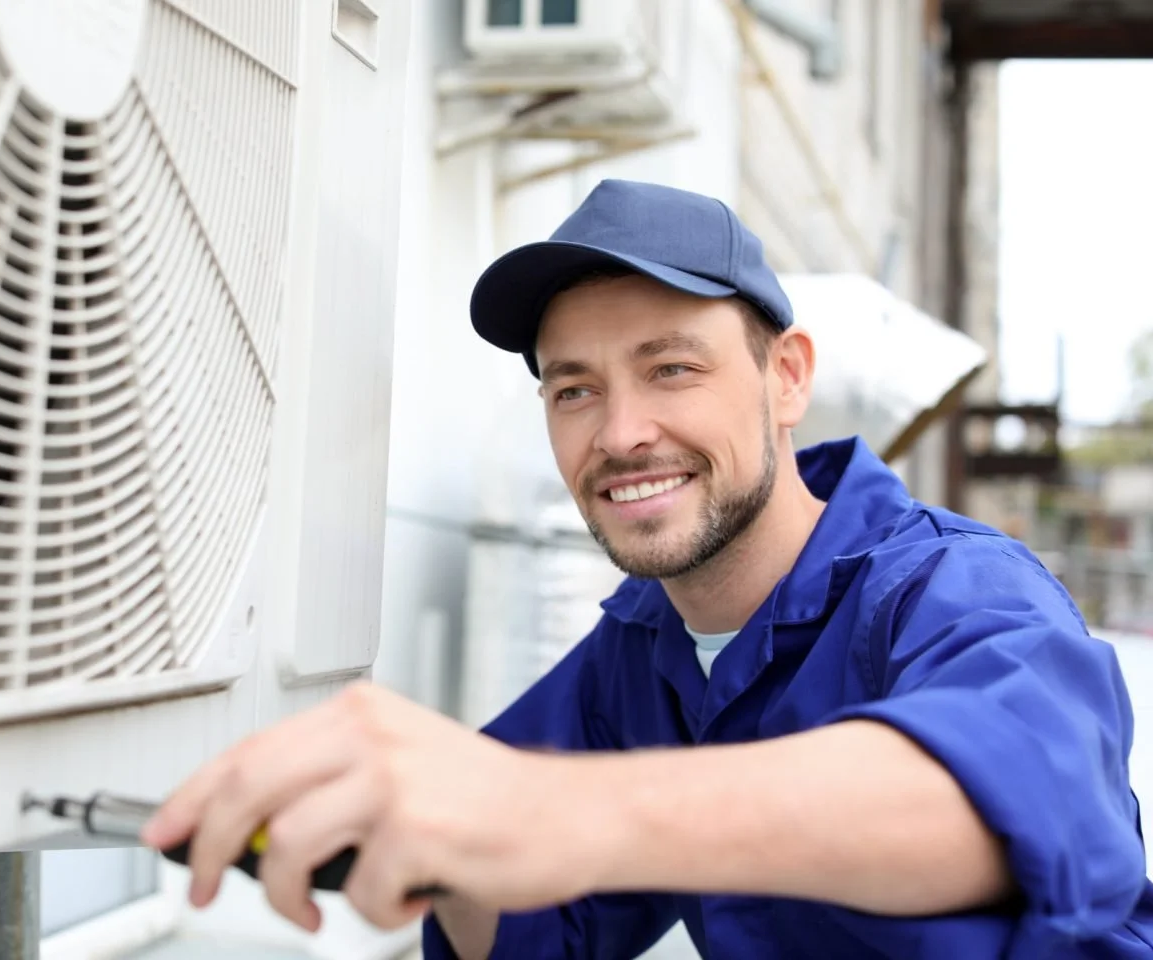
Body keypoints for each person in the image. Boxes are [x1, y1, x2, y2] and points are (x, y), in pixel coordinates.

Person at [141, 179, 1153, 958]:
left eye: (672, 368)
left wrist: (542, 809)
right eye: (574, 390)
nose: (622, 434)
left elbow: (1003, 810)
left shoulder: (952, 589)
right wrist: (439, 851)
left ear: (786, 377)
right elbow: (536, 935)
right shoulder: (640, 650)